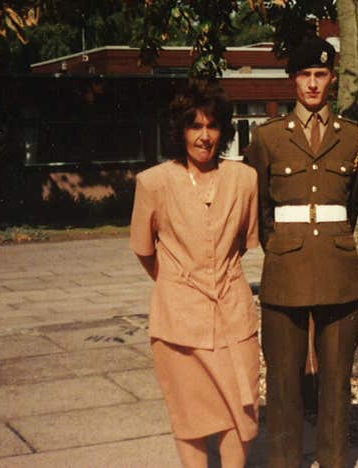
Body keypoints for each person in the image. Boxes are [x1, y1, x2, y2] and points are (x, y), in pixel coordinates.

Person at [246, 35, 358, 468]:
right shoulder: (268, 137)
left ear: (331, 79)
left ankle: (335, 461)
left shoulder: (353, 135)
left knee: (336, 383)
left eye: (320, 74)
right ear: (292, 79)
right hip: (285, 271)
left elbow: (352, 206)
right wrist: (281, 247)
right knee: (283, 382)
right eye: (304, 75)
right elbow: (259, 209)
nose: (312, 84)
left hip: (338, 268)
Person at [129, 81, 260, 468]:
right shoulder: (152, 183)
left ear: (223, 131)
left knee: (243, 411)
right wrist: (176, 285)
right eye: (194, 126)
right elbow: (143, 249)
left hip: (234, 315)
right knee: (190, 417)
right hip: (178, 324)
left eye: (212, 126)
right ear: (180, 131)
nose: (204, 136)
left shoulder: (244, 179)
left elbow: (244, 241)